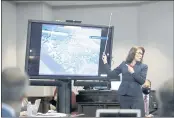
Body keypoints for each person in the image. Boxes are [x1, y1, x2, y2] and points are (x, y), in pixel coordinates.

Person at [102, 46, 148, 117]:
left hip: (136, 97)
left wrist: (133, 72)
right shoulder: (124, 64)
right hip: (123, 96)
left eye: (142, 54)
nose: (141, 55)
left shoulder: (143, 66)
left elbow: (142, 81)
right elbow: (111, 74)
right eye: (139, 53)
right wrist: (105, 62)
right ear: (132, 53)